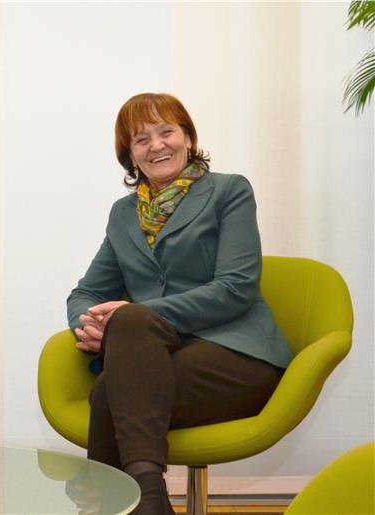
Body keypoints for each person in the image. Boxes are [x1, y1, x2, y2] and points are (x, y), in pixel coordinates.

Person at [66, 93, 292, 514]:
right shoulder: (123, 214)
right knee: (122, 359)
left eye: (166, 132)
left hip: (235, 356)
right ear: (130, 155)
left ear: (188, 138)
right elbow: (86, 293)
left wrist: (136, 316)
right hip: (158, 361)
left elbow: (236, 288)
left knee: (110, 389)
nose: (156, 145)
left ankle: (123, 504)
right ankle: (149, 497)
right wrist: (89, 325)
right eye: (141, 139)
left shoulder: (229, 191)